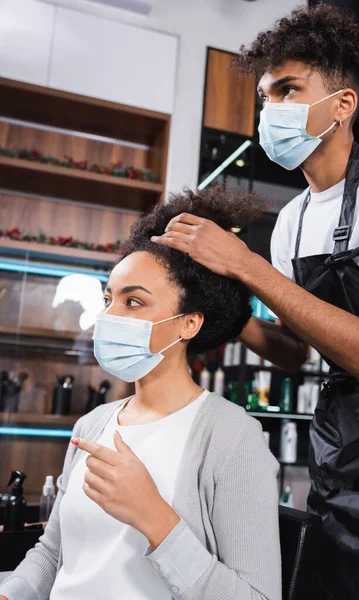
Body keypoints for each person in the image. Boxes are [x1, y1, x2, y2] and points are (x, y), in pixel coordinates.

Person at [151, 5, 359, 599]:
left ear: (342, 105)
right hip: (338, 449)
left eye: (288, 89)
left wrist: (248, 266)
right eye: (264, 96)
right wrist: (221, 307)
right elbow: (293, 352)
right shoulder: (292, 219)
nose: (271, 110)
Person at [0, 185, 281, 600]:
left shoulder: (232, 438)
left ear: (189, 324)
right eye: (109, 298)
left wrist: (154, 518)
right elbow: (53, 553)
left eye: (133, 303)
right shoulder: (92, 424)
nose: (108, 316)